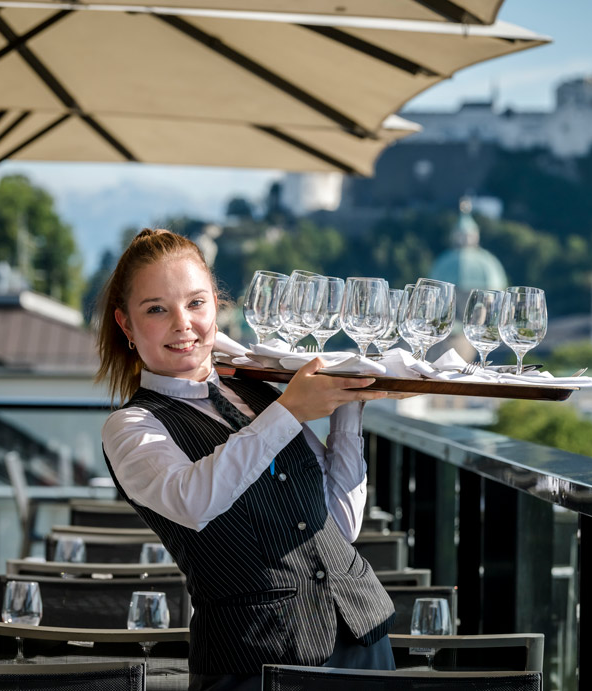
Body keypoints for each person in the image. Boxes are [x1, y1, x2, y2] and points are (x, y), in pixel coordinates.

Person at [96, 229, 396, 691]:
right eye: (157, 309)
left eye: (196, 303)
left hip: (362, 635)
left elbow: (338, 524)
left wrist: (349, 404)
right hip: (252, 662)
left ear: (216, 304)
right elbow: (194, 500)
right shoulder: (133, 426)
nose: (183, 323)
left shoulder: (259, 392)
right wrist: (290, 409)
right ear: (126, 325)